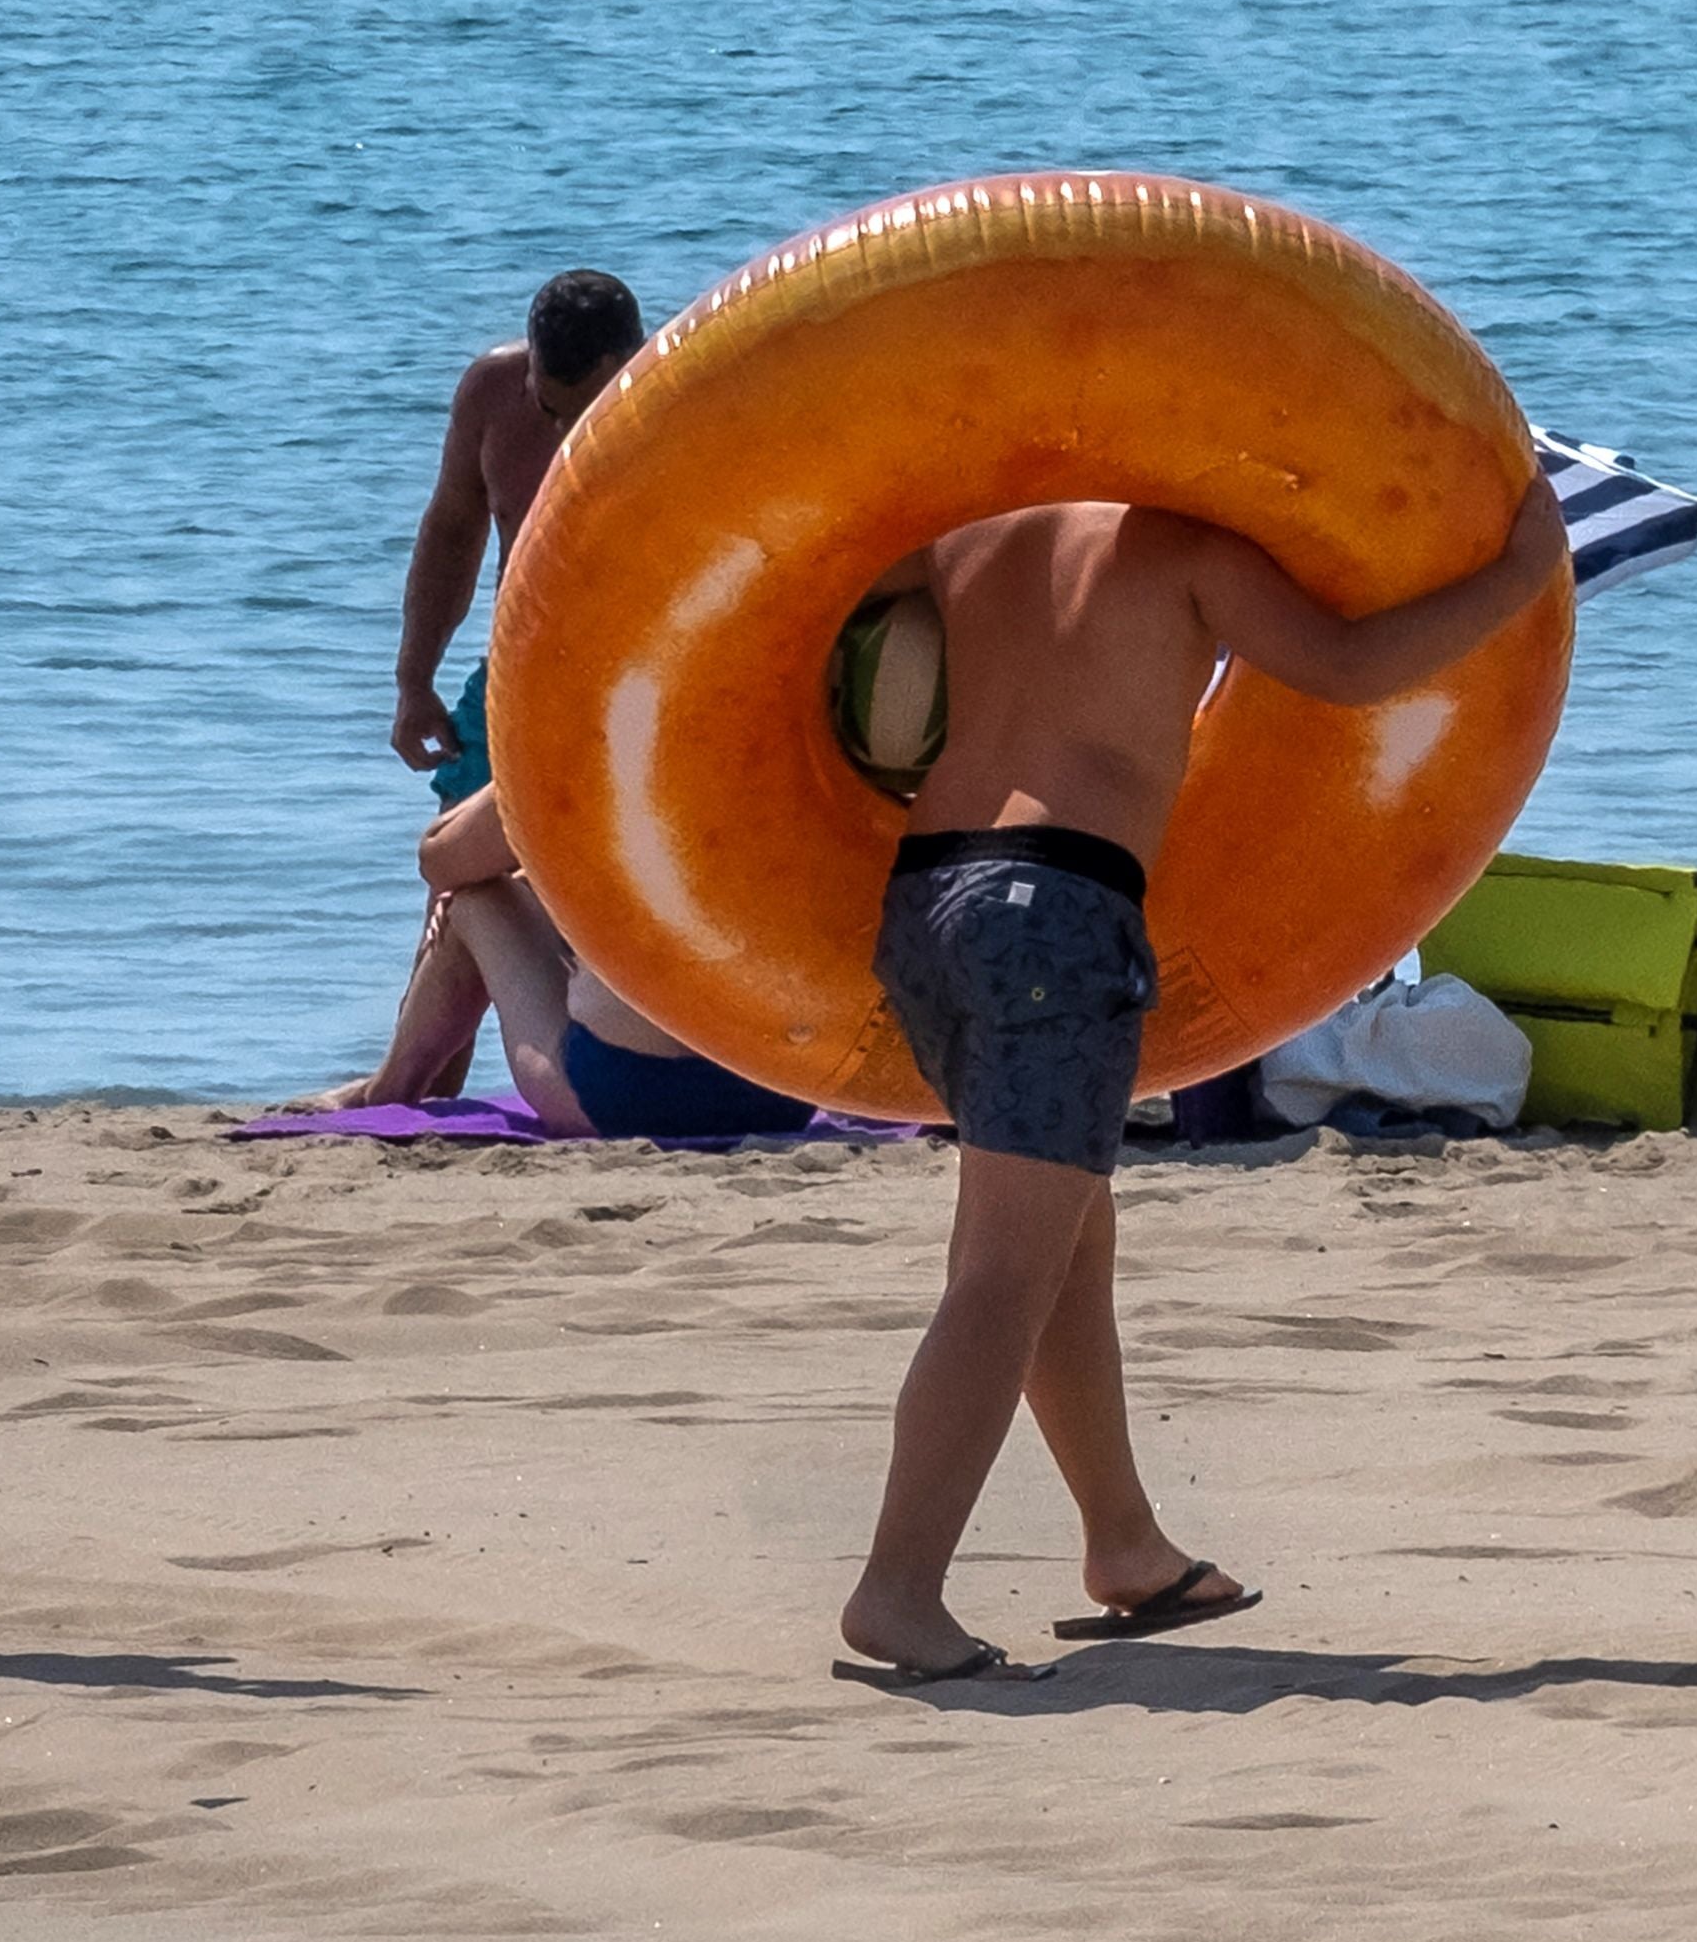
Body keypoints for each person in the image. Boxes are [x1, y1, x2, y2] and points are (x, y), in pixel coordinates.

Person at [839, 476, 1571, 1683]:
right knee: (1004, 1274)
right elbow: (1350, 666)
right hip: (1056, 908)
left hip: (930, 901)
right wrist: (1513, 575)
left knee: (1070, 1239)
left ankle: (1124, 1546)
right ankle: (898, 1589)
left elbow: (842, 627)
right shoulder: (1181, 547)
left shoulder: (966, 530)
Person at [370, 269, 648, 1096]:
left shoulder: (683, 397)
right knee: (460, 869)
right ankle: (418, 1098)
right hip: (520, 675)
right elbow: (454, 525)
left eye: (584, 407)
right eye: (550, 408)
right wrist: (414, 680)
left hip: (638, 677)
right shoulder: (495, 392)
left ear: (628, 360)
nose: (566, 431)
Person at [354, 782, 821, 1142]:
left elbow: (440, 859)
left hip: (625, 1100)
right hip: (784, 1092)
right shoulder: (803, 753)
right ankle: (387, 1087)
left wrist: (518, 756)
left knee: (477, 900)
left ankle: (390, 1091)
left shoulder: (592, 746)